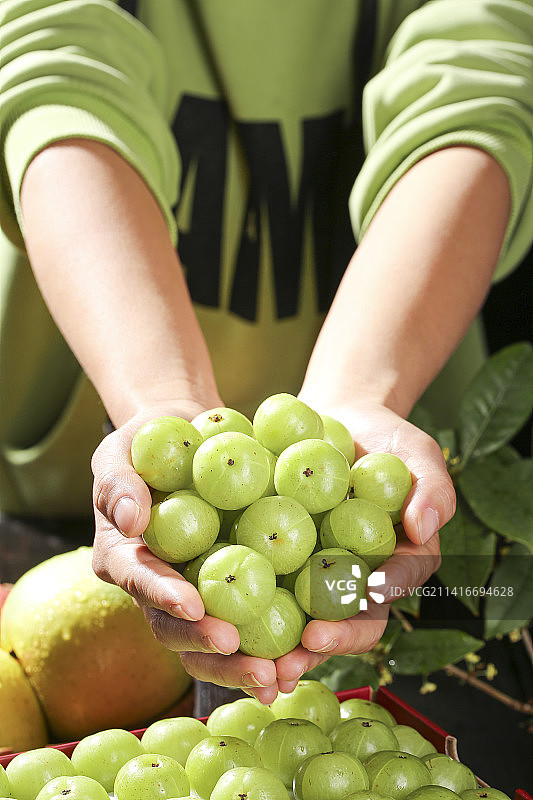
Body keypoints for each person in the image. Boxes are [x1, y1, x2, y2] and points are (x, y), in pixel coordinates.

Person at [1, 0, 532, 707]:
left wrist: (358, 397)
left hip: (384, 435)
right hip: (58, 491)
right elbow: (56, 67)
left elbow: (480, 79)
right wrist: (158, 400)